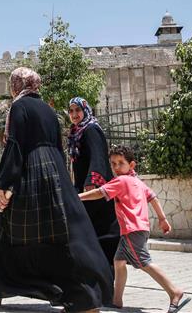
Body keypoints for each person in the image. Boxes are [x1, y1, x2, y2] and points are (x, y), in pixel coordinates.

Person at [0, 67, 113, 313]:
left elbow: (15, 146)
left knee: (0, 234)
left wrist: (3, 183)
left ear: (16, 85)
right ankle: (83, 298)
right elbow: (58, 147)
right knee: (60, 237)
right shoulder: (49, 110)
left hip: (31, 176)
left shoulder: (18, 107)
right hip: (56, 178)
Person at [79, 145, 191, 313]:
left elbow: (100, 193)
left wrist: (78, 197)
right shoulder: (138, 182)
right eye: (113, 164)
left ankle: (174, 291)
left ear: (131, 165)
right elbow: (153, 198)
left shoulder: (121, 181)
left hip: (132, 230)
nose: (116, 167)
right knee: (119, 262)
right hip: (139, 229)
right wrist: (162, 219)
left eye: (121, 163)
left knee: (144, 262)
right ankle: (117, 301)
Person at [67, 97, 119, 276]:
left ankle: (107, 279)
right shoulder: (76, 132)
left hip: (96, 192)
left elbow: (98, 157)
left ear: (85, 110)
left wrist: (92, 182)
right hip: (85, 190)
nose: (74, 114)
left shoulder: (91, 130)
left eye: (77, 110)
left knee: (102, 234)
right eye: (71, 111)